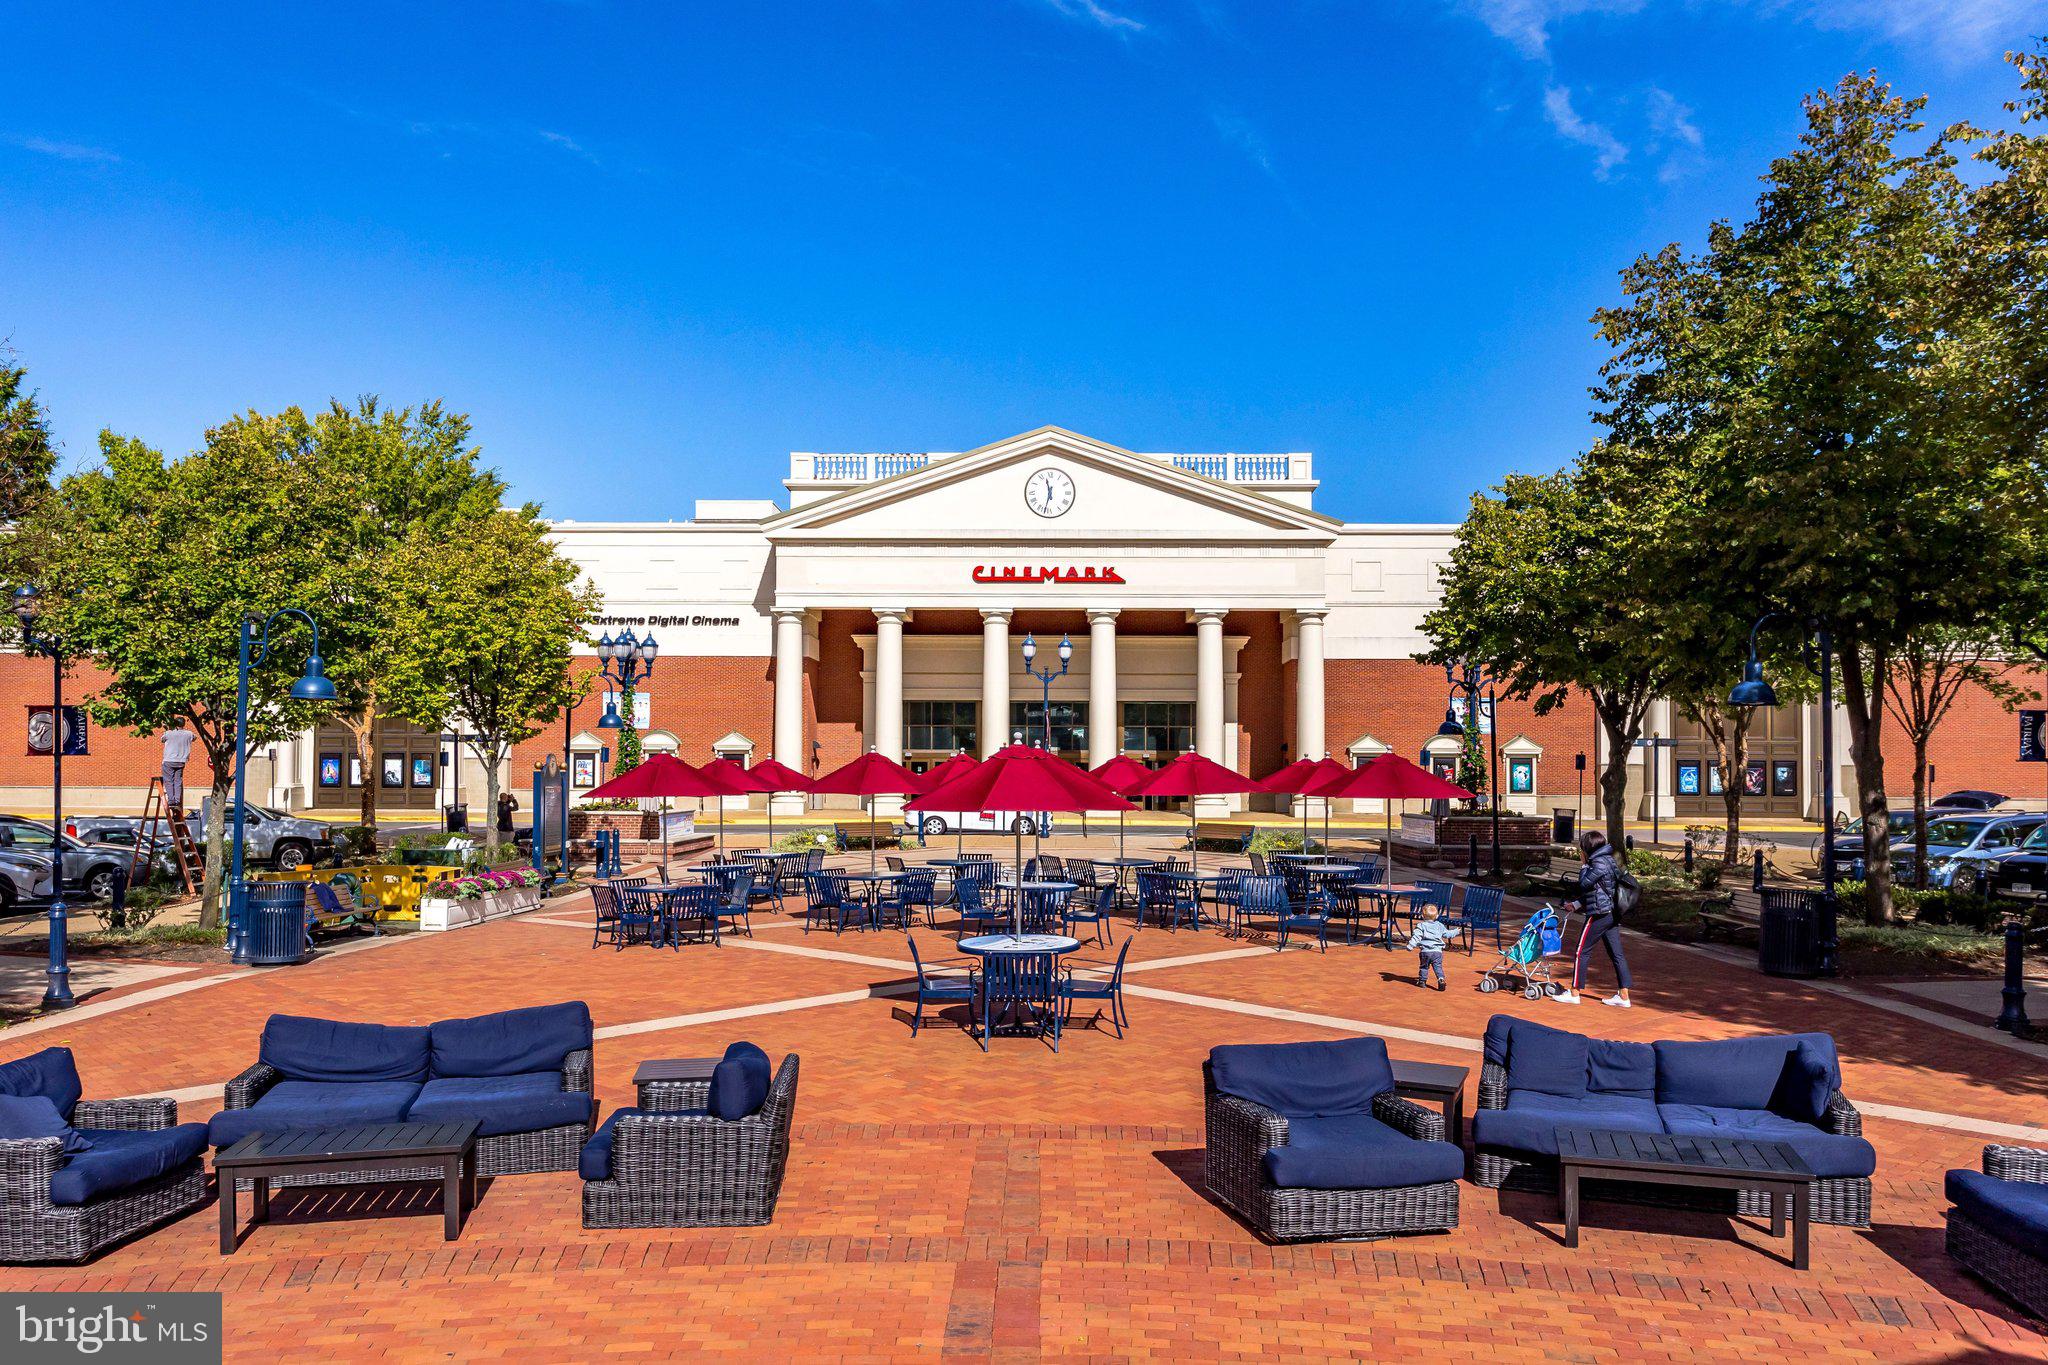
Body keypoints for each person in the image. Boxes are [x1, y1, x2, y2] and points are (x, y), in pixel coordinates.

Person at [1557, 829, 1631, 1007]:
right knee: (1616, 954)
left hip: (1599, 914)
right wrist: (1575, 905)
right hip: (1611, 912)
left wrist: (1583, 865)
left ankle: (1574, 993)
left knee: (1581, 951)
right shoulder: (1609, 859)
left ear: (1587, 848)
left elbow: (1584, 884)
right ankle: (1623, 996)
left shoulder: (1597, 863)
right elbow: (1598, 890)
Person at [1405, 902, 1456, 991]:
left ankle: (1422, 981)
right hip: (1437, 952)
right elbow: (1447, 934)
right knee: (1438, 967)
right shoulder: (1440, 925)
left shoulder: (1421, 925)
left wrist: (1410, 945)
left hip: (1425, 952)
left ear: (1422, 916)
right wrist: (1456, 931)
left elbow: (1416, 936)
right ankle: (1441, 979)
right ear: (1436, 916)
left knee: (1424, 967)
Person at [160, 718, 196, 809]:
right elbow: (194, 738)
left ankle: (171, 801)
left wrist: (168, 729)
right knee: (178, 781)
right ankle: (177, 800)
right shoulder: (189, 734)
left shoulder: (168, 733)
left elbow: (162, 740)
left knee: (168, 781)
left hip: (169, 760)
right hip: (181, 761)